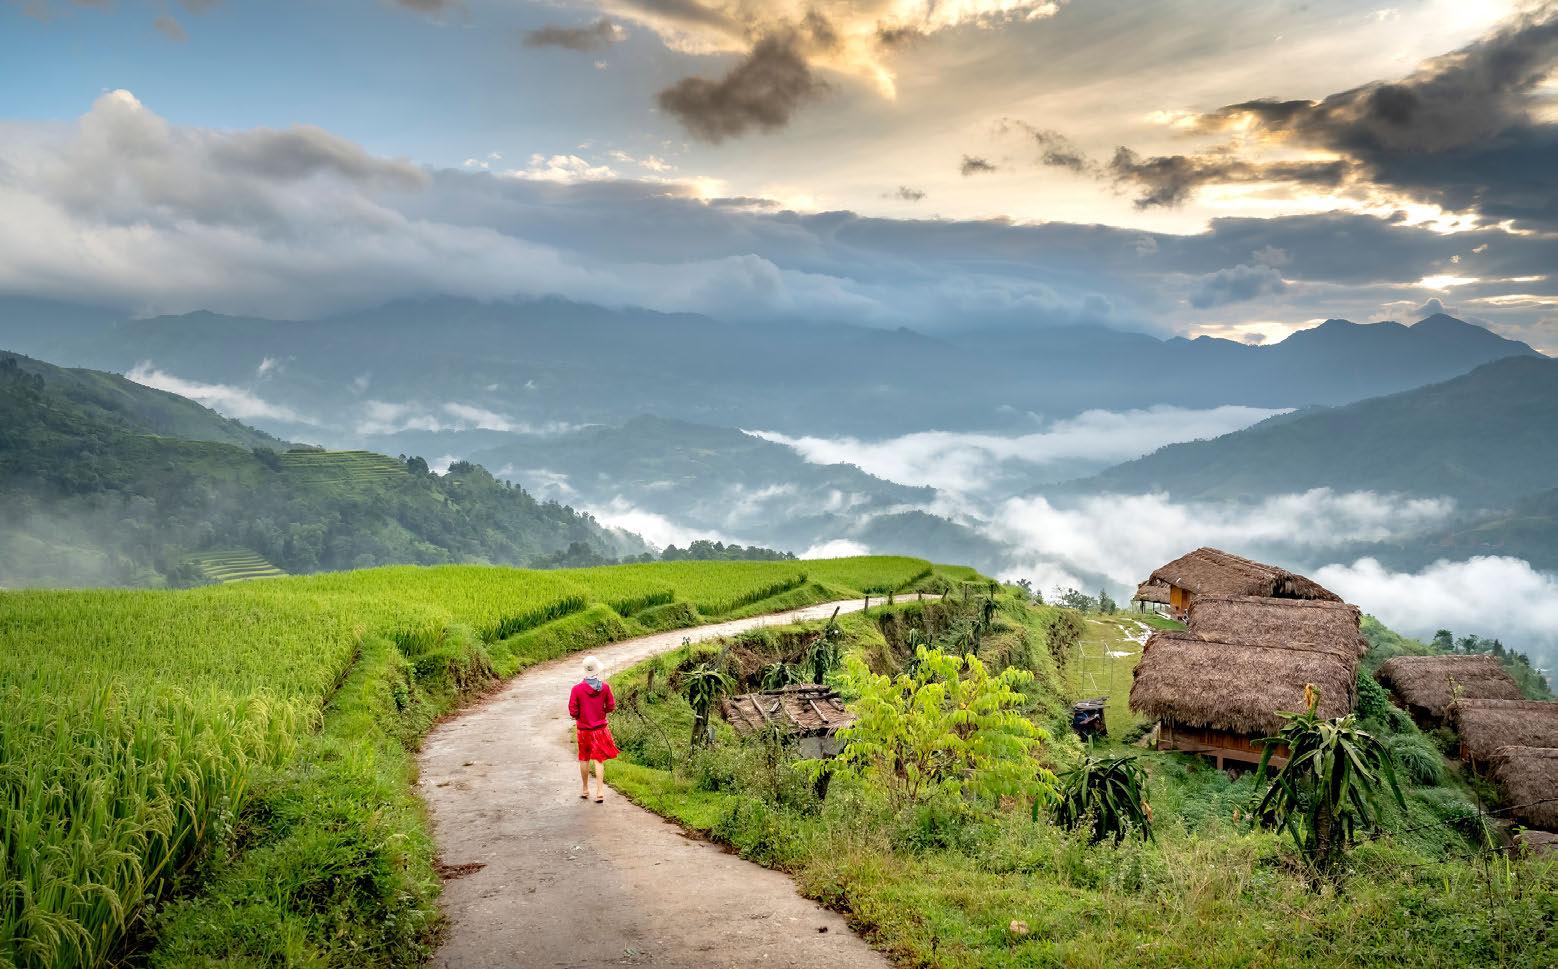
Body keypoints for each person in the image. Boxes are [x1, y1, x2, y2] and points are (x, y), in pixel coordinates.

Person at [567, 655, 619, 803]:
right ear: (597, 670)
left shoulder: (576, 689)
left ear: (585, 670)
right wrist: (602, 712)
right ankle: (600, 792)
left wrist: (579, 716)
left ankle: (585, 789)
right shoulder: (605, 687)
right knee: (598, 760)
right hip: (600, 729)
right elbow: (611, 706)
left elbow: (572, 710)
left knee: (584, 758)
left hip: (583, 730)